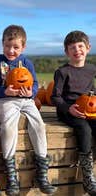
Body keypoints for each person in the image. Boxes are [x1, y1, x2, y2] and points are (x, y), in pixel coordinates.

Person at [0, 24, 57, 195]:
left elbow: (34, 83)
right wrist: (4, 91)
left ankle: (42, 172)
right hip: (6, 100)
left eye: (15, 47)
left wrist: (31, 92)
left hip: (26, 100)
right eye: (7, 46)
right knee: (8, 127)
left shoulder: (26, 62)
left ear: (23, 47)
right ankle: (11, 173)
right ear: (2, 43)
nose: (11, 50)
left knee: (38, 125)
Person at [51, 30, 96, 195]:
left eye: (80, 46)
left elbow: (91, 90)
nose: (77, 50)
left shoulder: (91, 69)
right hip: (68, 110)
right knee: (84, 129)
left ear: (88, 48)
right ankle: (87, 178)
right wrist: (68, 108)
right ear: (66, 52)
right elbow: (55, 97)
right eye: (72, 47)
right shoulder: (62, 72)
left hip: (88, 109)